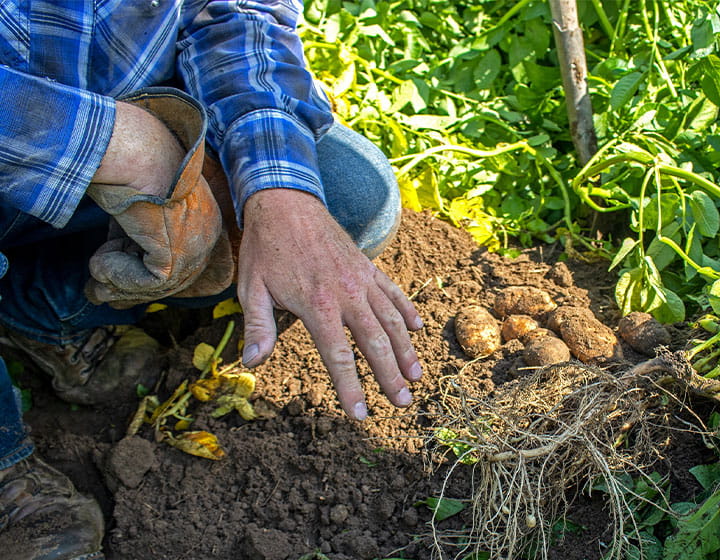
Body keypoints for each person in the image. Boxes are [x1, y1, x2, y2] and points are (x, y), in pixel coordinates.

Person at [0, 2, 424, 558]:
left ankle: (40, 315)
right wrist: (114, 146)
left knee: (350, 198)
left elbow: (237, 14)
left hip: (126, 125)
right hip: (50, 135)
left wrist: (278, 192)